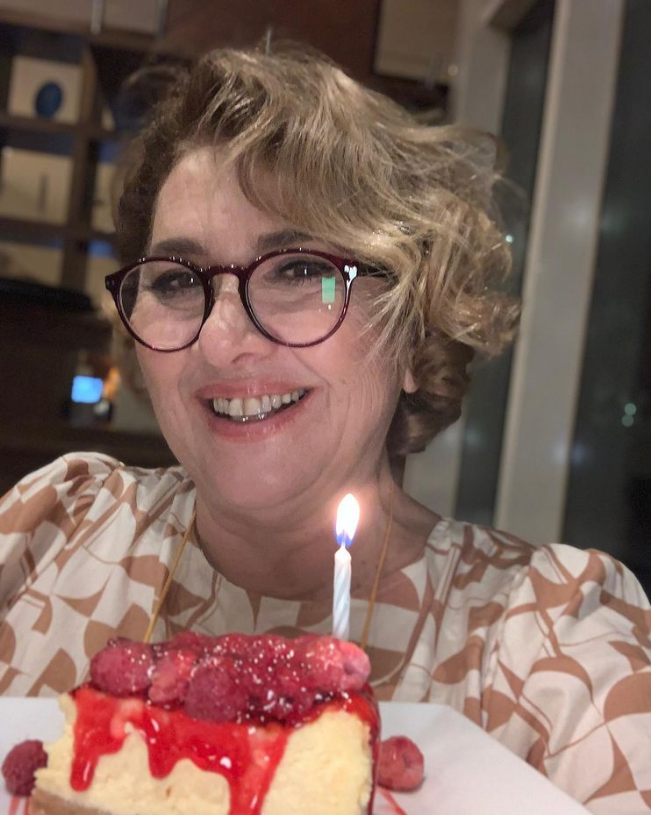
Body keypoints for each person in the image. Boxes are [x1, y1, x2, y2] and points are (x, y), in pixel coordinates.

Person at [1, 46, 650, 813]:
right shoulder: (49, 532)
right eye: (176, 280)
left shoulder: (553, 647)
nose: (222, 341)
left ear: (413, 331)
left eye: (299, 269)